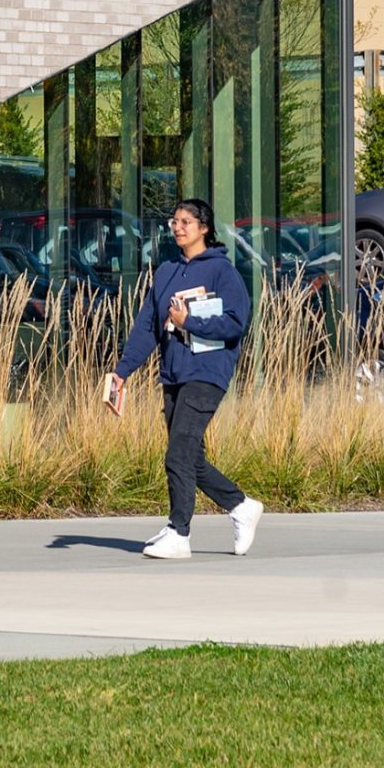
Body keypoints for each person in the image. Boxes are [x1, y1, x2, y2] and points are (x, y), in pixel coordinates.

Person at [101, 199, 260, 560]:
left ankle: (179, 531)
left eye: (186, 222)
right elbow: (147, 327)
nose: (178, 227)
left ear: (204, 228)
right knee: (189, 456)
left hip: (207, 373)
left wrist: (191, 322)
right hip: (173, 373)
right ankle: (241, 506)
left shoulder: (222, 271)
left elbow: (236, 322)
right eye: (174, 222)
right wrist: (123, 371)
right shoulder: (167, 271)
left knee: (178, 453)